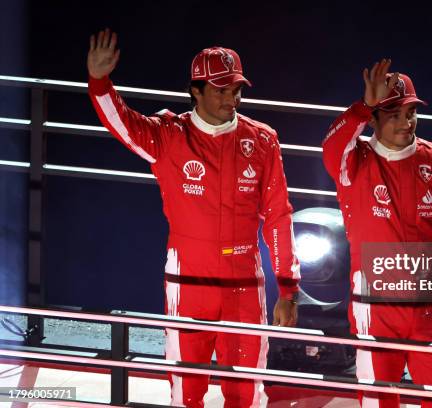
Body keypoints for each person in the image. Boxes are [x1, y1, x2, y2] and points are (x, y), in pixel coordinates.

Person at [87, 28, 301, 407]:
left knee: (247, 391)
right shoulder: (169, 134)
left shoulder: (263, 139)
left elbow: (279, 216)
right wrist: (100, 83)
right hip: (186, 280)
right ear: (195, 91)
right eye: (220, 90)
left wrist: (287, 288)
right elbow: (122, 124)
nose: (231, 98)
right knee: (186, 391)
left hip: (244, 283)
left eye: (236, 89)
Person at [322, 59, 432, 408]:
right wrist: (362, 107)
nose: (406, 122)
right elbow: (330, 147)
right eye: (393, 114)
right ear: (373, 119)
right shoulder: (354, 161)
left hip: (427, 305)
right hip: (374, 309)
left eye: (411, 112)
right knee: (377, 402)